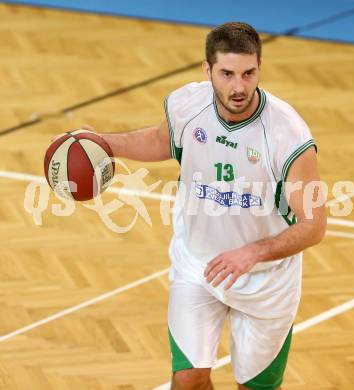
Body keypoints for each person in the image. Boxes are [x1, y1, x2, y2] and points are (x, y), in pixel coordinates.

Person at [86, 22, 326, 390]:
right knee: (188, 381)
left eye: (249, 73)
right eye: (227, 74)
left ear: (260, 67)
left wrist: (254, 252)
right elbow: (159, 140)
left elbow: (314, 225)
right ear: (207, 70)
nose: (239, 87)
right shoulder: (188, 105)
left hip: (266, 282)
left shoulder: (287, 133)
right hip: (197, 266)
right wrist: (100, 142)